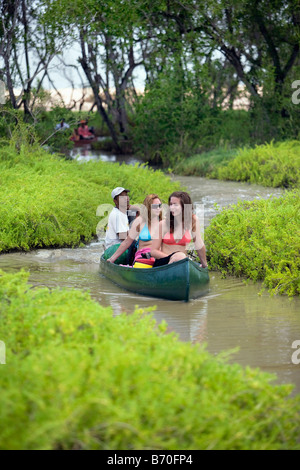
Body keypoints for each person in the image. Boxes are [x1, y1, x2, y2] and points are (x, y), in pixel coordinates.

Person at [151, 191, 208, 268]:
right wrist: (172, 257)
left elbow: (199, 244)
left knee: (181, 257)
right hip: (164, 262)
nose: (172, 207)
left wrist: (204, 264)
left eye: (175, 205)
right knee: (180, 256)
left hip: (182, 263)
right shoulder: (163, 224)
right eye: (171, 204)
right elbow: (153, 251)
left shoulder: (193, 220)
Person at [106, 194, 162, 265]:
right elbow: (127, 242)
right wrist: (112, 258)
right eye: (155, 206)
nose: (158, 209)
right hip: (143, 256)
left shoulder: (163, 222)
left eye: (160, 206)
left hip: (158, 256)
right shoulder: (139, 221)